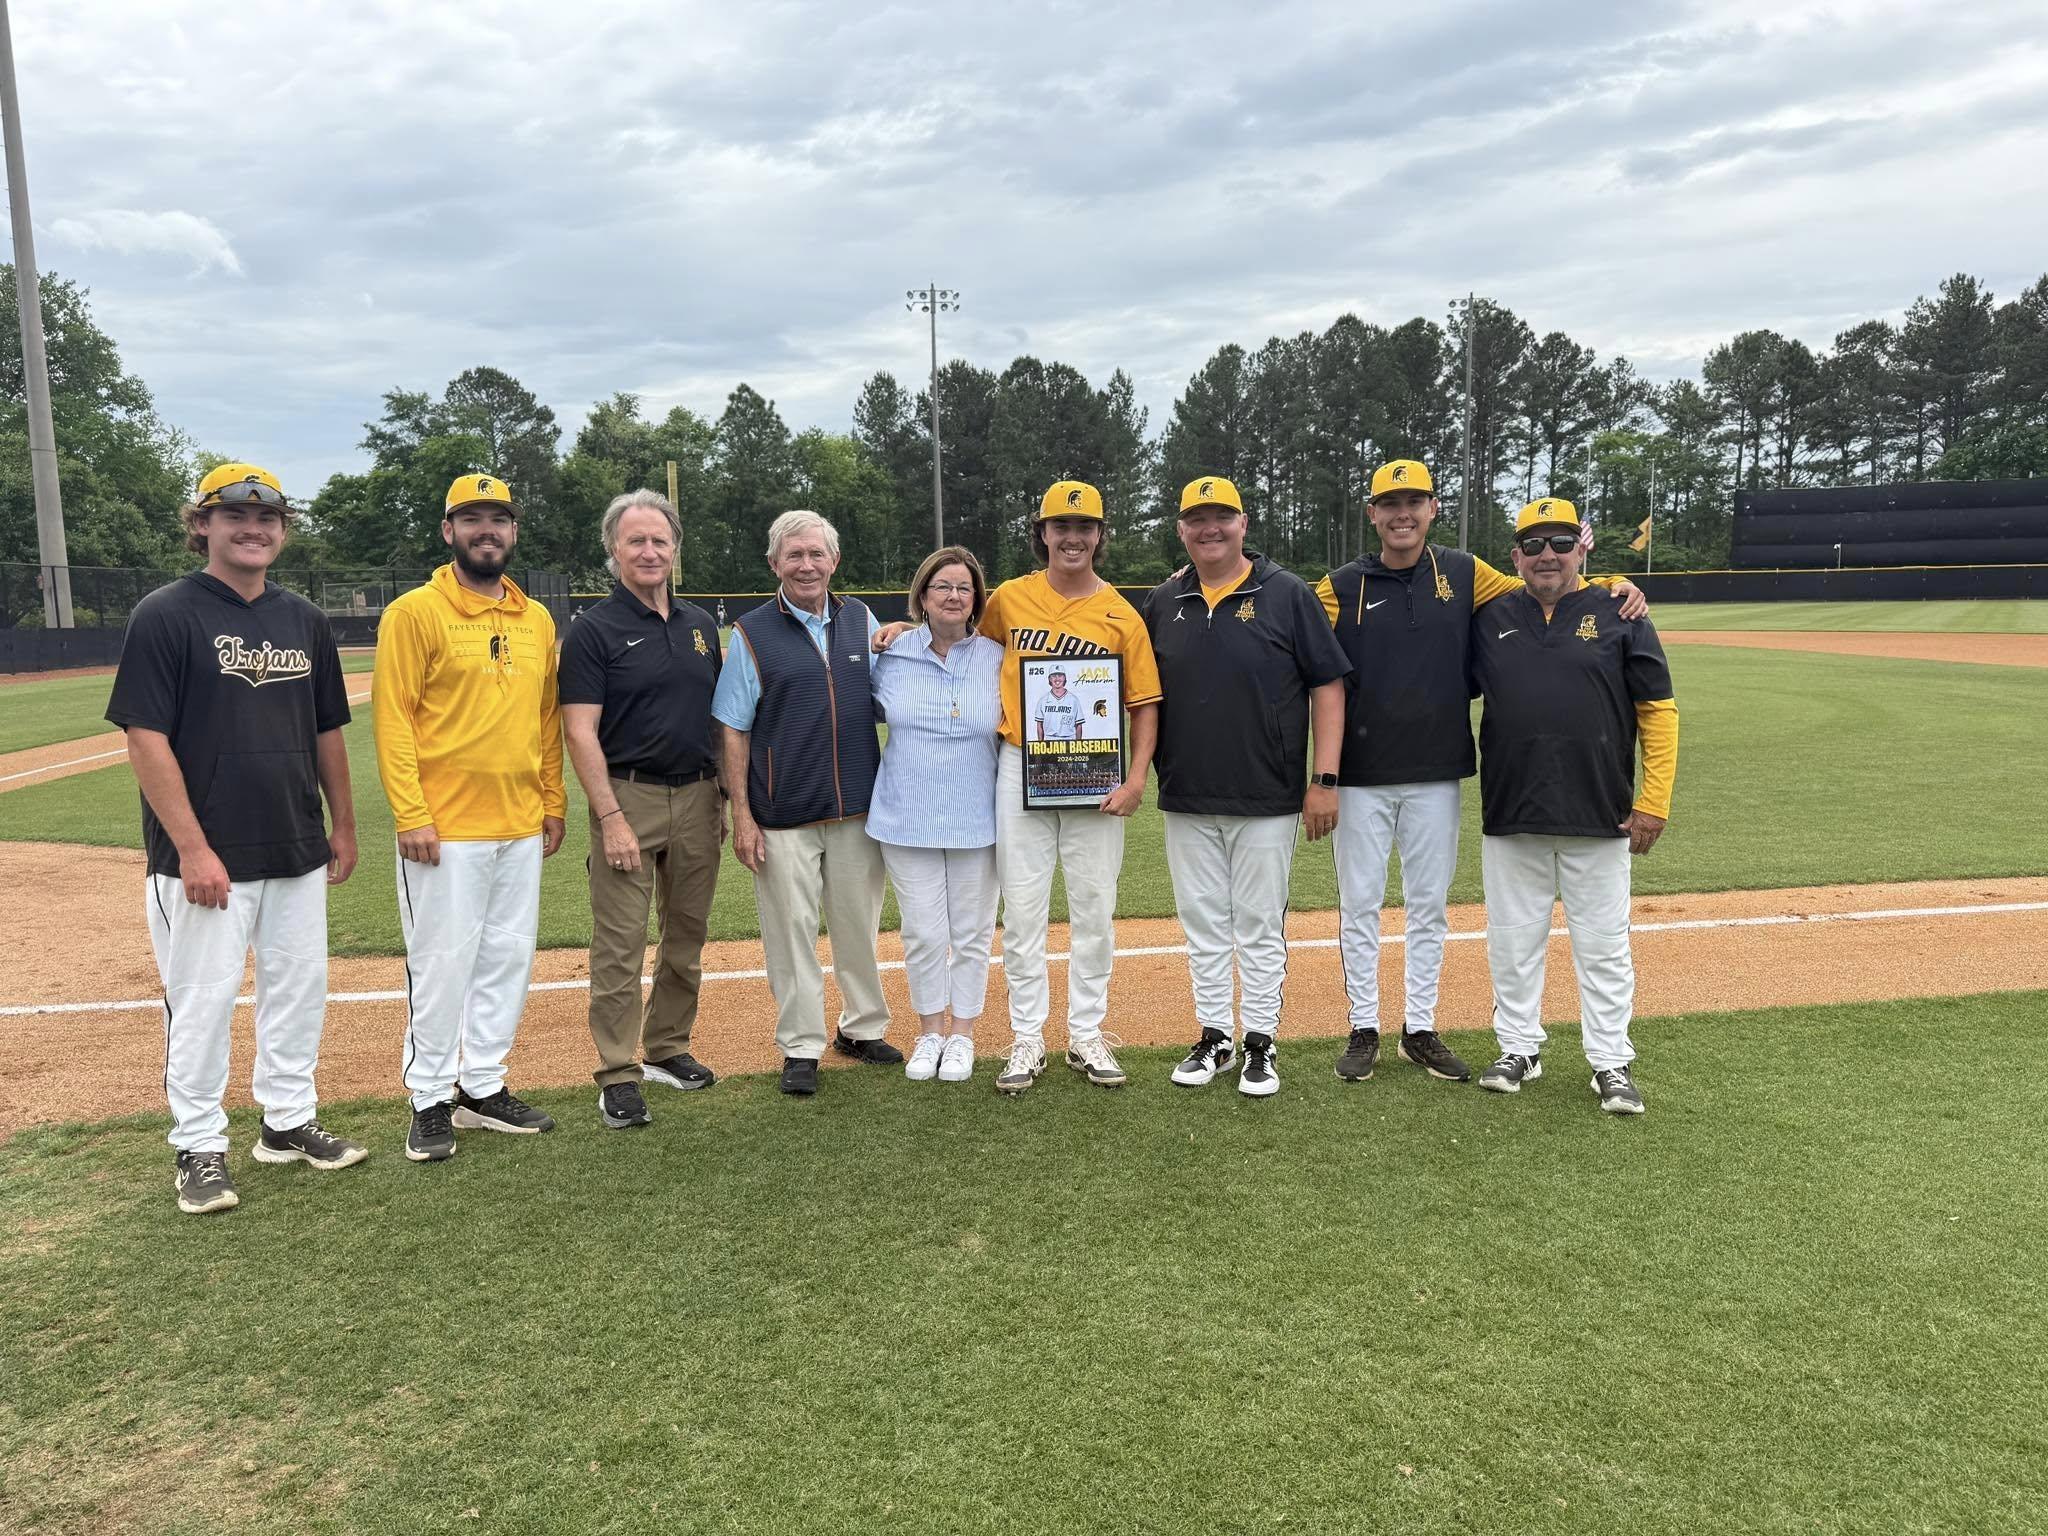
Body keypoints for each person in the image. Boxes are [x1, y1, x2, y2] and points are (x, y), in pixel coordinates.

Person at [1314, 460, 1648, 1086]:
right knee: (1359, 904)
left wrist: (1615, 581)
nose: (1402, 513)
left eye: (1414, 501)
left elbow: (1551, 580)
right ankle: (1364, 1026)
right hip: (1359, 773)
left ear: (1434, 508)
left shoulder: (1466, 574)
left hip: (1438, 771)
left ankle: (1420, 1027)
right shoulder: (1341, 583)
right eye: (1390, 503)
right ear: (1372, 512)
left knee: (1428, 906)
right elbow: (1282, 608)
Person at [106, 463, 366, 1215]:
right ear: (203, 526)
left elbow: (327, 731)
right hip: (205, 855)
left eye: (269, 519)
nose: (254, 529)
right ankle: (199, 1145)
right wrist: (191, 848)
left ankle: (285, 1123)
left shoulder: (303, 619)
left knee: (298, 990)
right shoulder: (165, 613)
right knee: (202, 1001)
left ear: (282, 531)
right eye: (235, 516)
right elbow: (145, 738)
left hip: (293, 843)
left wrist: (341, 823)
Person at [877, 482, 1161, 1094]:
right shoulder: (1008, 599)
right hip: (1020, 764)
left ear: (1100, 535)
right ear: (1043, 534)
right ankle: (1027, 1037)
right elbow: (954, 633)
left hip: (1094, 773)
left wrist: (1137, 778)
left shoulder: (1122, 615)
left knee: (1093, 908)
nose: (1072, 536)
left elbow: (1142, 704)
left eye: (1084, 526)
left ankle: (1086, 1033)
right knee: (1024, 911)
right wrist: (901, 626)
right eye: (1060, 525)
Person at [373, 472, 566, 1161]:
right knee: (441, 963)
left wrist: (552, 799)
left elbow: (546, 717)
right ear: (448, 531)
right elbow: (392, 718)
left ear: (514, 532)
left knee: (506, 958)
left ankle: (483, 1086)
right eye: (472, 519)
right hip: (444, 830)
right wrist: (410, 812)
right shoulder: (415, 612)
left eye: (500, 519)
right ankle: (428, 1097)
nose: (488, 531)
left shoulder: (536, 618)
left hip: (517, 823)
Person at [1143, 476, 1351, 1097]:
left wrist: (1325, 780)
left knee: (1260, 922)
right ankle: (1215, 1036)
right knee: (1203, 921)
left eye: (1222, 517)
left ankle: (1260, 1040)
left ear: (1244, 522)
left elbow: (1328, 687)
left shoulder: (1286, 593)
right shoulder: (1162, 600)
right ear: (1181, 529)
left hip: (1267, 793)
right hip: (1187, 791)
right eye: (1197, 518)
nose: (1211, 528)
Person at [1470, 497, 1678, 1114]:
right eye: (1533, 545)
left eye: (1561, 542)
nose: (1547, 555)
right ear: (1515, 556)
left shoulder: (1621, 611)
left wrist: (1654, 801)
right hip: (1512, 808)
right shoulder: (1492, 615)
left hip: (1601, 810)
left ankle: (1610, 1061)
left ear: (1582, 547)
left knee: (1604, 944)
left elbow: (1658, 711)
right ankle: (1518, 1048)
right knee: (1512, 940)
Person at [712, 510, 898, 1095]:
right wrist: (742, 814)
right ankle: (800, 1044)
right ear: (774, 564)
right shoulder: (751, 632)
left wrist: (903, 635)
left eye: (816, 554)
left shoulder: (860, 621)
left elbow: (894, 694)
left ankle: (862, 1028)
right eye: (794, 555)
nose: (807, 564)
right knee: (790, 935)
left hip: (858, 812)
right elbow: (733, 729)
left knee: (857, 927)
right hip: (782, 813)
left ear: (834, 561)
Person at [559, 489, 727, 1130]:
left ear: (675, 549)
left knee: (685, 935)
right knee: (621, 944)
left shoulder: (700, 627)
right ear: (614, 551)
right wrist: (609, 817)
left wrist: (722, 795)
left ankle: (667, 1047)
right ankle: (617, 1072)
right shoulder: (594, 631)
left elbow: (718, 718)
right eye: (636, 541)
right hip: (627, 793)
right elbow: (580, 731)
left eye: (660, 540)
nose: (650, 551)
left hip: (696, 794)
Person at [868, 547, 1005, 1083]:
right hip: (907, 816)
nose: (953, 596)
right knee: (924, 933)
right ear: (922, 596)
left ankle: (964, 1035)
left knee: (971, 934)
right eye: (941, 586)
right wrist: (888, 632)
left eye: (963, 588)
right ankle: (929, 1032)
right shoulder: (891, 653)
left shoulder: (997, 657)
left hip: (977, 818)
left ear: (976, 599)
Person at [1032, 668, 1082, 741]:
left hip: (1069, 740)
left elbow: (1079, 725)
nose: (1057, 678)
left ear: (1064, 678)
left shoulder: (1074, 700)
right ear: (1049, 679)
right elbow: (1039, 725)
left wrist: (1078, 745)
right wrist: (1040, 744)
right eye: (1054, 676)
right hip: (1049, 739)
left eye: (1060, 675)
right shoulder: (1043, 700)